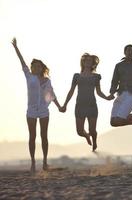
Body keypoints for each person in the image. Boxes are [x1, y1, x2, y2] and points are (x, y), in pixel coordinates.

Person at [12, 38, 62, 173]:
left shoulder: (47, 80)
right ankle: (33, 162)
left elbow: (51, 95)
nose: (35, 68)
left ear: (42, 68)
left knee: (44, 135)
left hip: (44, 110)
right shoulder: (29, 77)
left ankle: (45, 162)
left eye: (38, 66)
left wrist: (59, 106)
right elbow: (22, 62)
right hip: (32, 110)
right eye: (33, 66)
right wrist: (16, 47)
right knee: (32, 136)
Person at [61, 53, 113, 151]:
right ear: (83, 62)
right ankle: (87, 136)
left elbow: (98, 92)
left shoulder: (96, 77)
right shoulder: (76, 76)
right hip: (80, 106)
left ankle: (94, 141)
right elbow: (71, 91)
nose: (88, 62)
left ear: (93, 63)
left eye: (90, 61)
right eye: (86, 60)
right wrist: (65, 104)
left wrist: (107, 97)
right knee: (80, 131)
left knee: (92, 130)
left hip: (91, 106)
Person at [108, 44, 132, 134]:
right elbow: (114, 80)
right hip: (121, 94)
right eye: (128, 50)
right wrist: (111, 93)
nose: (130, 52)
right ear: (124, 52)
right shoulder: (119, 65)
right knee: (113, 122)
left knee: (119, 120)